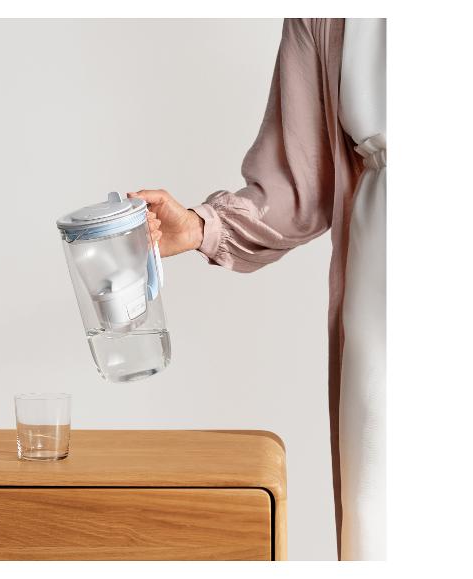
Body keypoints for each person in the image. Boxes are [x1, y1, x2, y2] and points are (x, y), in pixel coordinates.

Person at [129, 18, 386, 560]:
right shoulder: (324, 16)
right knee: (390, 504)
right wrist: (200, 226)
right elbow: (300, 185)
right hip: (389, 284)